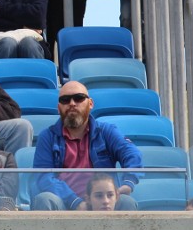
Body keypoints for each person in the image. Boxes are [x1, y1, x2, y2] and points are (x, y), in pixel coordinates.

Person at [31, 80, 141, 211]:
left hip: (102, 200)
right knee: (45, 199)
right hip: (64, 203)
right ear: (59, 107)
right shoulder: (47, 136)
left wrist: (128, 182)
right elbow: (44, 177)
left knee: (126, 202)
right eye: (65, 100)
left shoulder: (106, 131)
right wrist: (74, 201)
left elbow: (131, 154)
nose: (72, 103)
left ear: (90, 104)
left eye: (79, 98)